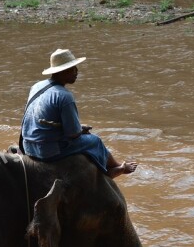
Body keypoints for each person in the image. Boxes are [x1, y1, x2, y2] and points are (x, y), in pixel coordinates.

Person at [20, 49, 137, 178]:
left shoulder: (37, 86)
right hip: (46, 151)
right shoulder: (65, 96)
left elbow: (43, 120)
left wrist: (79, 128)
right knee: (94, 141)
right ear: (61, 71)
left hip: (28, 146)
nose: (76, 71)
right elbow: (73, 134)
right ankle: (115, 168)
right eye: (72, 68)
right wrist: (80, 130)